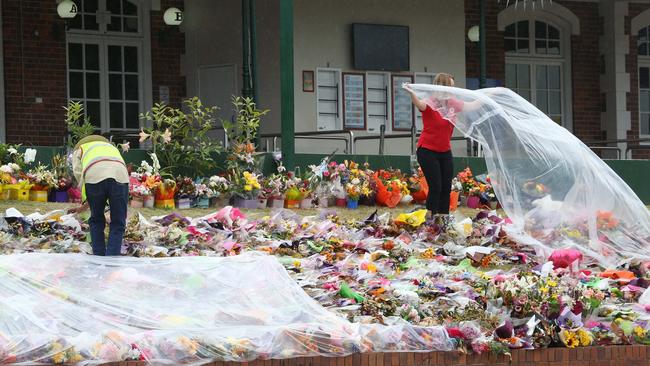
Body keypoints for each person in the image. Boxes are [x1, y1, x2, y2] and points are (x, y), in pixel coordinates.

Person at [403, 73, 464, 225]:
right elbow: (420, 104)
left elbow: (471, 106)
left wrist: (489, 96)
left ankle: (443, 219)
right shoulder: (430, 102)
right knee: (435, 185)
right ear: (442, 86)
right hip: (427, 150)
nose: (453, 89)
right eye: (450, 86)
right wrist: (412, 94)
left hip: (445, 151)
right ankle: (430, 218)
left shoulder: (452, 103)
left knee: (446, 186)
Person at [68, 135, 129, 256]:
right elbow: (117, 167)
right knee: (118, 221)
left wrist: (85, 201)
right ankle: (112, 259)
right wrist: (83, 207)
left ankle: (99, 257)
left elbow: (80, 176)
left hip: (94, 177)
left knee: (96, 220)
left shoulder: (81, 149)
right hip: (120, 177)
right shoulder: (111, 148)